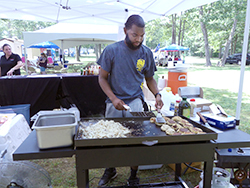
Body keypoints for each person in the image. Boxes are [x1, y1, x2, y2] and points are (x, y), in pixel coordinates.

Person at [97, 14, 164, 187]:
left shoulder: (146, 53)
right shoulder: (111, 51)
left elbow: (149, 78)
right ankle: (110, 169)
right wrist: (113, 98)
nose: (138, 39)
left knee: (136, 139)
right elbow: (102, 78)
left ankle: (133, 175)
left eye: (142, 35)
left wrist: (157, 94)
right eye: (135, 35)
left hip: (135, 102)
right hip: (114, 102)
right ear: (125, 31)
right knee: (112, 139)